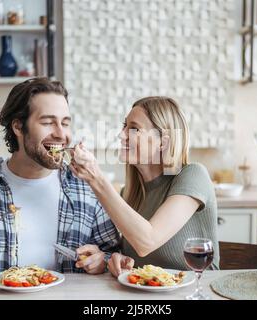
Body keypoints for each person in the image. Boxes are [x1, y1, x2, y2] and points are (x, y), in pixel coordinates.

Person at [0, 78, 120, 276]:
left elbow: (114, 254)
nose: (61, 134)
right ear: (18, 127)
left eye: (65, 123)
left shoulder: (86, 189)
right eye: (48, 122)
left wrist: (102, 260)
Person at [70, 96, 219, 277]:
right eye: (124, 126)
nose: (121, 134)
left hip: (197, 293)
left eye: (134, 129)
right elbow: (136, 262)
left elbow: (147, 241)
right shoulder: (131, 194)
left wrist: (96, 178)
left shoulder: (193, 175)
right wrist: (110, 260)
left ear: (163, 141)